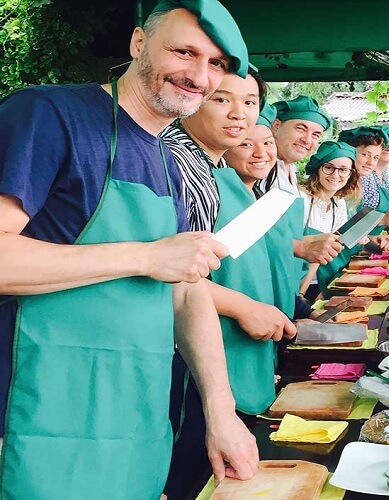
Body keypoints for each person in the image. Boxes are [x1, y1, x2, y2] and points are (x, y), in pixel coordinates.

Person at [0, 1, 258, 497]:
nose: (199, 75)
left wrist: (220, 413)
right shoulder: (48, 114)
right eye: (185, 52)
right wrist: (142, 256)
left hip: (134, 417)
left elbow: (188, 290)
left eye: (216, 64)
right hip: (33, 412)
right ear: (139, 43)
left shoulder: (169, 158)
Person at [162, 70, 299, 498]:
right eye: (222, 99)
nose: (239, 115)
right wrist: (243, 306)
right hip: (180, 353)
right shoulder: (172, 162)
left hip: (219, 344)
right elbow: (169, 273)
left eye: (250, 102)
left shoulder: (212, 168)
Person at [222, 102, 323, 323]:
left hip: (276, 316)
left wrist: (304, 311)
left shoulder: (261, 193)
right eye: (246, 144)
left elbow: (275, 272)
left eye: (268, 143)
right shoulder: (219, 196)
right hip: (236, 324)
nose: (261, 154)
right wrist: (298, 247)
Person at [258, 96, 343, 269]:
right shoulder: (261, 169)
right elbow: (252, 233)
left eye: (315, 135)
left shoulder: (291, 172)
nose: (307, 139)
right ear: (276, 126)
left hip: (288, 272)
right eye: (300, 129)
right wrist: (300, 246)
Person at [299, 141, 360, 295]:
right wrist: (299, 296)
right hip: (292, 281)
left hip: (318, 281)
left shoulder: (338, 204)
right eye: (329, 168)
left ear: (351, 173)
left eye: (343, 170)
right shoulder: (301, 198)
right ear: (318, 168)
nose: (335, 175)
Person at [339, 126, 389, 228]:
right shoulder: (340, 183)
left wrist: (375, 239)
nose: (370, 162)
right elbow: (342, 229)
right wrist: (381, 220)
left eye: (376, 157)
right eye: (364, 155)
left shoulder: (356, 182)